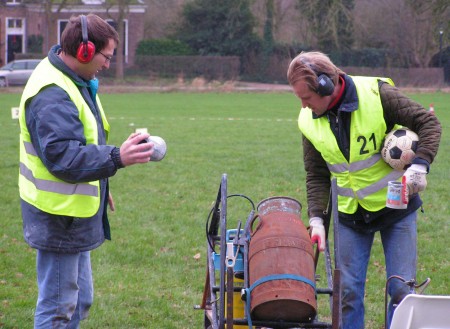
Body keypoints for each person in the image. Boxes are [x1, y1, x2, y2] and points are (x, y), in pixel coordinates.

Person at [18, 14, 156, 328]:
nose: (107, 65)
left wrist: (102, 184)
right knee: (58, 309)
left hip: (72, 214)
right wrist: (117, 157)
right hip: (58, 219)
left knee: (78, 301)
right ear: (84, 51)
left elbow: (83, 142)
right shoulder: (52, 93)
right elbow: (63, 157)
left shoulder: (75, 81)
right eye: (105, 57)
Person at [287, 51, 441, 329]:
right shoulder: (307, 120)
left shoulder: (378, 95)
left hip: (397, 209)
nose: (303, 105)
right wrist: (316, 220)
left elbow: (429, 123)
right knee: (347, 293)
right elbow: (316, 173)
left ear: (326, 85)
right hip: (350, 217)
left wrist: (420, 165)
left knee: (401, 291)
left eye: (306, 98)